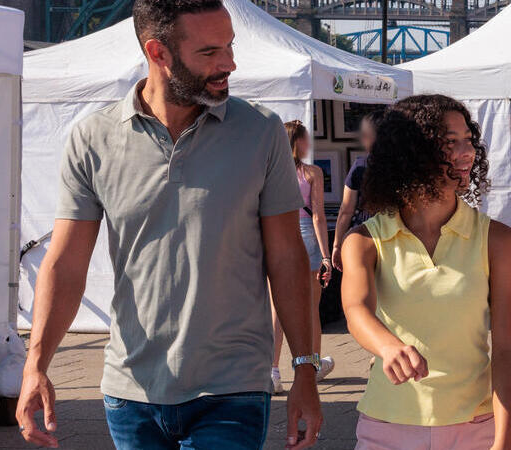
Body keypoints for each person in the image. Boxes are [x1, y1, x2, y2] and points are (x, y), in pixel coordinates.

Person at [16, 1, 324, 448]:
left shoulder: (262, 132)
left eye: (231, 46)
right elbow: (64, 264)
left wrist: (304, 370)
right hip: (131, 393)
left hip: (232, 388)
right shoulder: (93, 138)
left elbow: (287, 259)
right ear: (158, 52)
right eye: (210, 52)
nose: (229, 64)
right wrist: (35, 366)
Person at [338, 99, 511, 449]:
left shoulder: (496, 239)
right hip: (386, 427)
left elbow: (507, 351)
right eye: (450, 142)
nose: (466, 151)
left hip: (475, 427)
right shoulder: (364, 240)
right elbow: (355, 310)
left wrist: (505, 438)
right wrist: (387, 346)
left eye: (468, 140)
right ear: (411, 151)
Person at [279, 120, 338, 393]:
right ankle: (312, 367)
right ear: (299, 142)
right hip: (307, 241)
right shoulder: (312, 173)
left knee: (276, 311)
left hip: (280, 237)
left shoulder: (273, 171)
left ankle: (272, 372)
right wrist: (326, 256)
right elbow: (317, 216)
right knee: (311, 308)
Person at [333, 114, 382, 260]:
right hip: (397, 230)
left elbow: (346, 210)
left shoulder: (361, 165)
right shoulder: (404, 165)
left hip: (366, 229)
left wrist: (337, 245)